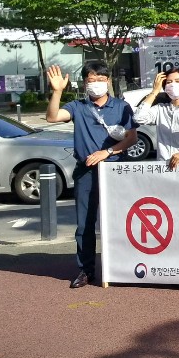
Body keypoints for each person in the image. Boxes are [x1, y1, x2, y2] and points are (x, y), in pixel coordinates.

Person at [45, 62, 138, 289]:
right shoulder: (78, 106)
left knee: (120, 219)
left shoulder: (121, 106)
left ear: (108, 81)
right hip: (86, 170)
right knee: (85, 223)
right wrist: (57, 91)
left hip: (115, 169)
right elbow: (52, 117)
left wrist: (107, 152)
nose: (96, 84)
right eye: (91, 80)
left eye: (100, 79)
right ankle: (86, 270)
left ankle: (122, 267)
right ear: (85, 83)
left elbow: (132, 138)